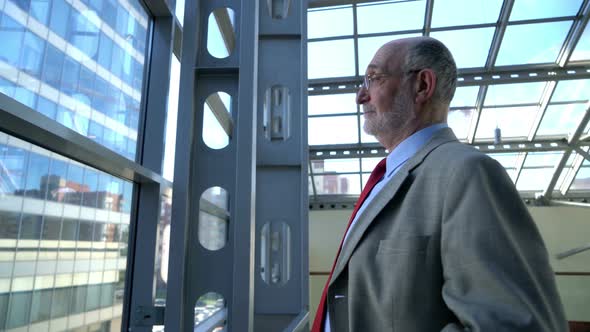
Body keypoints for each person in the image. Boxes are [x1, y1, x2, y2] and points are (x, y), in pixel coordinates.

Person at [311, 37, 568, 332]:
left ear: (422, 85)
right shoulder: (387, 179)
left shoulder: (468, 173)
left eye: (374, 78)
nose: (360, 95)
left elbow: (515, 324)